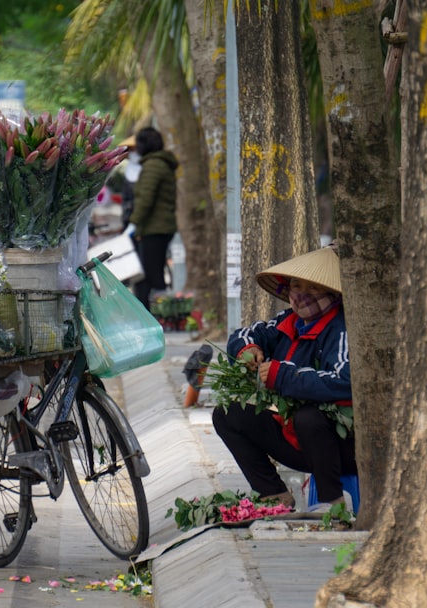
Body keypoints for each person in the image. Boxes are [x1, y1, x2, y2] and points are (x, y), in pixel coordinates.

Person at [211, 245, 355, 512]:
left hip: (341, 446)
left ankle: (332, 501)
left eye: (312, 289)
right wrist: (248, 349)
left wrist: (282, 375)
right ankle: (274, 495)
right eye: (297, 286)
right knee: (227, 414)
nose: (301, 295)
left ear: (332, 294)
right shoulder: (288, 321)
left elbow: (344, 381)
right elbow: (246, 334)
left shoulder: (342, 329)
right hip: (295, 440)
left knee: (309, 417)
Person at [125, 127, 178, 310]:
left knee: (148, 276)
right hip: (159, 228)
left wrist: (134, 223)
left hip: (155, 229)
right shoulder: (159, 163)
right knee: (151, 274)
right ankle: (150, 313)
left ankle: (152, 314)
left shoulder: (153, 165)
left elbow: (145, 199)